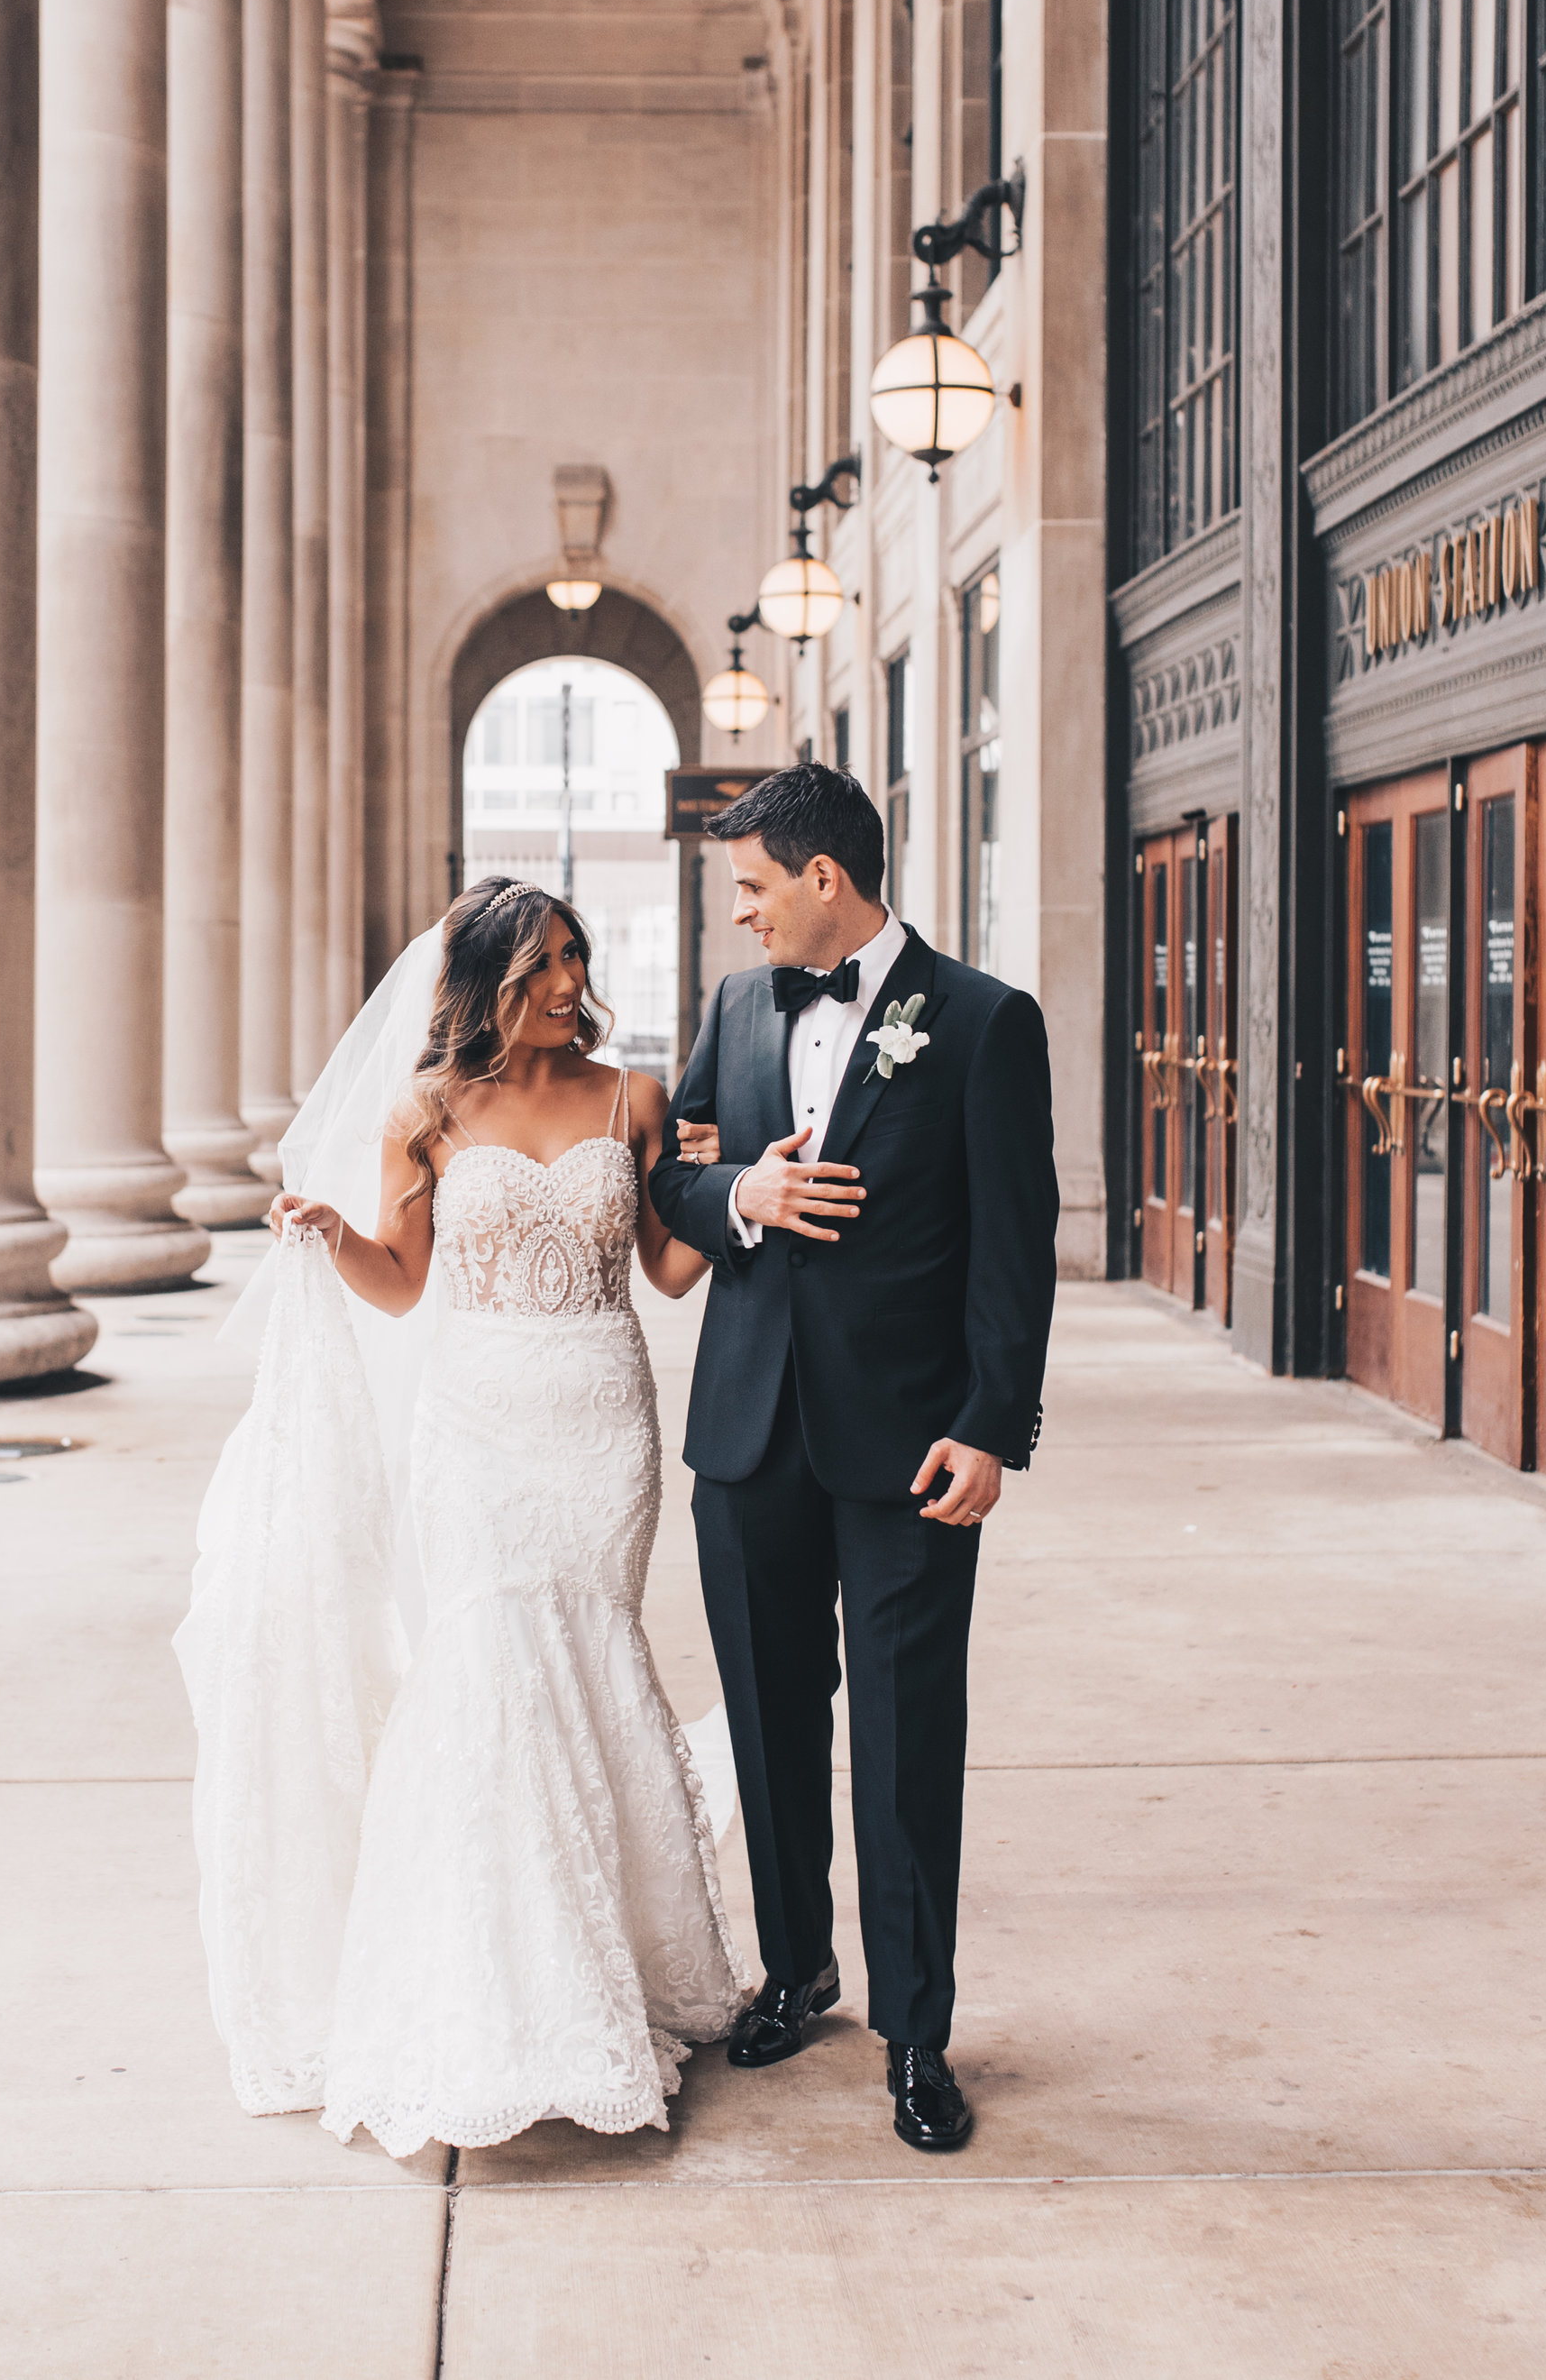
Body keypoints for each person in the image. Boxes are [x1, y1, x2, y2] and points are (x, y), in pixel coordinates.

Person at [188, 874, 743, 2157]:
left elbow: (664, 1271)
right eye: (540, 966)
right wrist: (333, 1234)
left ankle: (622, 1966)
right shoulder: (427, 1113)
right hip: (477, 1425)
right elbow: (401, 1284)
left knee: (593, 1661)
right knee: (489, 1673)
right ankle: (497, 1990)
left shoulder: (632, 1098)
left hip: (601, 1422)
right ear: (486, 983)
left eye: (574, 958)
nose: (565, 985)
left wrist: (720, 1196)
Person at [647, 761, 1057, 2153]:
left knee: (902, 1742)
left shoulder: (989, 1024)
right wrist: (736, 1195)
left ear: (827, 879)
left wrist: (996, 1423)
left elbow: (1015, 1247)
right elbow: (672, 1177)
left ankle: (918, 2035)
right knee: (767, 1723)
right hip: (750, 1434)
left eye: (755, 888)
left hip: (912, 1450)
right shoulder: (733, 1007)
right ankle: (797, 1966)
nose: (744, 915)